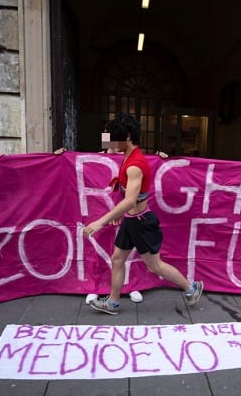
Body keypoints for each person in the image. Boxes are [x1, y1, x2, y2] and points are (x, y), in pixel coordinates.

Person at [82, 113, 203, 315]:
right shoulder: (128, 157)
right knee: (117, 259)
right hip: (131, 220)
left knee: (155, 266)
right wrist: (123, 213)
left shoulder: (135, 165)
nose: (111, 142)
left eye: (114, 137)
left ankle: (191, 288)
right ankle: (112, 303)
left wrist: (101, 222)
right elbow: (129, 198)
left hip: (140, 222)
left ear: (127, 136)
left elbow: (130, 199)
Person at [55, 139, 168, 305]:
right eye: (110, 138)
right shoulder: (95, 158)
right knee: (100, 250)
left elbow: (141, 176)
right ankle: (96, 287)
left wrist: (158, 157)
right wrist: (62, 156)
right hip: (100, 209)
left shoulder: (131, 159)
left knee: (130, 253)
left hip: (126, 212)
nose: (114, 143)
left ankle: (130, 285)